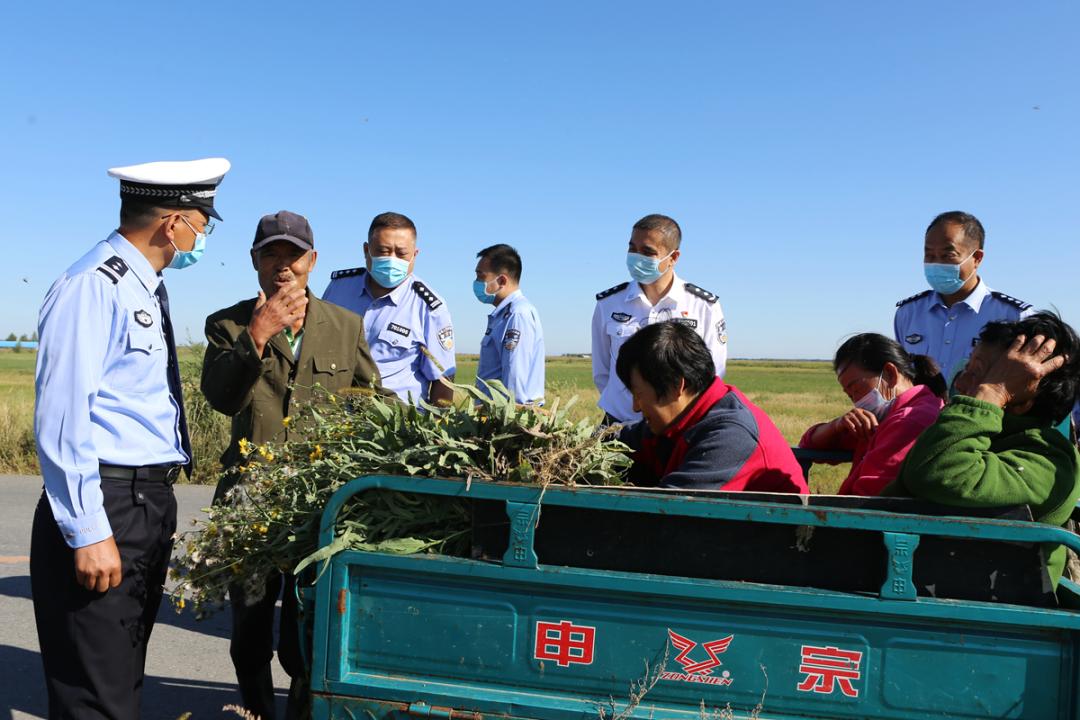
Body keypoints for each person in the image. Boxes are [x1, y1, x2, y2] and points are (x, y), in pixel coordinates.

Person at [31, 158, 230, 718]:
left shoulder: (143, 286)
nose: (202, 237)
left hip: (144, 502)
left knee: (119, 676)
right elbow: (64, 418)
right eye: (202, 222)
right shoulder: (94, 286)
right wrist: (88, 529)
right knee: (95, 694)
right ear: (173, 223)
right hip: (109, 501)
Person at [201, 210, 385, 720]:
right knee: (251, 634)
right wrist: (257, 335)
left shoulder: (346, 326)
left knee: (305, 634)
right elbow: (220, 397)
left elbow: (371, 403)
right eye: (272, 254)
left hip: (319, 508)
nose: (284, 266)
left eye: (294, 255)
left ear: (313, 261)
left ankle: (303, 711)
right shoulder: (228, 324)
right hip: (248, 505)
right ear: (255, 261)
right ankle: (258, 710)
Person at [884, 312, 1080, 586]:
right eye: (966, 368)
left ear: (1022, 397)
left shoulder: (1048, 461)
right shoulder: (982, 433)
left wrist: (992, 394)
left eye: (977, 374)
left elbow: (941, 472)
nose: (961, 383)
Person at [615, 321, 807, 493]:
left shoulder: (731, 436)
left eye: (638, 395)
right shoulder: (681, 419)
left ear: (676, 386)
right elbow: (623, 438)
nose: (635, 408)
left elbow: (665, 508)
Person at [592, 214, 727, 424]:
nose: (637, 257)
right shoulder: (609, 304)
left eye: (648, 252)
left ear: (673, 258)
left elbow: (713, 375)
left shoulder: (703, 306)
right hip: (619, 424)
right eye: (632, 248)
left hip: (676, 428)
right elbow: (602, 372)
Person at [323, 212, 455, 406]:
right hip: (336, 419)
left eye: (401, 254)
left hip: (396, 428)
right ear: (366, 250)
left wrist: (436, 429)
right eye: (383, 251)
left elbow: (443, 381)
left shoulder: (430, 308)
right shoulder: (339, 288)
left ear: (414, 255)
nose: (392, 260)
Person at [895, 210, 1033, 383]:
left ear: (977, 258)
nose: (937, 263)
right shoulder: (908, 313)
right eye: (929, 255)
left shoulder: (1014, 316)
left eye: (948, 255)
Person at [799, 333, 946, 496]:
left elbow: (868, 495)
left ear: (890, 373)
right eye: (850, 395)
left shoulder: (911, 420)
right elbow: (809, 444)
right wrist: (837, 425)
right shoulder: (883, 417)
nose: (856, 401)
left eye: (856, 389)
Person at [473, 244, 545, 405]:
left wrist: (510, 421)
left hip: (508, 419)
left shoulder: (518, 314)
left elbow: (515, 374)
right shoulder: (503, 314)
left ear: (501, 280)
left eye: (481, 276)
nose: (477, 282)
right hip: (492, 418)